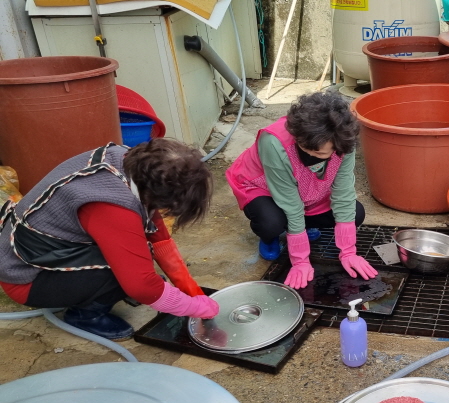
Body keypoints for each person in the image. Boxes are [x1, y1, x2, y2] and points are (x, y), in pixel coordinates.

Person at [0, 139, 220, 340]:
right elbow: (142, 287)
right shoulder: (111, 207)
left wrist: (190, 289)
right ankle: (85, 316)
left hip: (45, 251)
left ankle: (94, 293)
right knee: (130, 271)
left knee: (138, 259)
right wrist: (195, 308)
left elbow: (157, 234)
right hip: (27, 277)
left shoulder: (132, 162)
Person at [226, 91, 377, 289]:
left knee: (355, 213)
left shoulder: (343, 139)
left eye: (324, 153)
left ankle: (303, 227)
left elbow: (343, 192)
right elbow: (289, 200)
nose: (315, 156)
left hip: (307, 185)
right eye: (312, 150)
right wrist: (300, 260)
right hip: (264, 186)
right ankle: (270, 237)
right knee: (271, 223)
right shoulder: (273, 142)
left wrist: (348, 252)